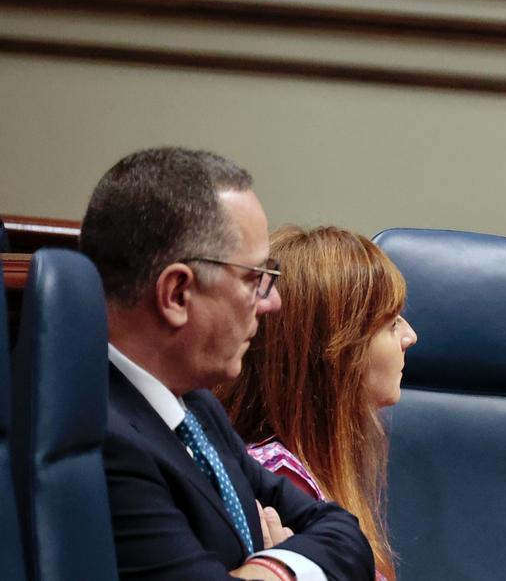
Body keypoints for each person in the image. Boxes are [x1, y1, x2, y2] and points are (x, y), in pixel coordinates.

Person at [80, 147, 374, 581]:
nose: (273, 302)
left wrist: (273, 569)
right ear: (177, 294)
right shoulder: (101, 440)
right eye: (255, 279)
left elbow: (346, 534)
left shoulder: (197, 410)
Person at [217, 226, 418, 581]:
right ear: (335, 353)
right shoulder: (276, 481)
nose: (409, 336)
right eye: (391, 323)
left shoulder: (306, 463)